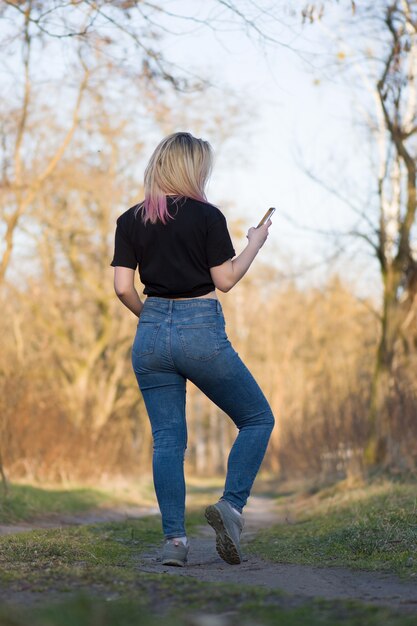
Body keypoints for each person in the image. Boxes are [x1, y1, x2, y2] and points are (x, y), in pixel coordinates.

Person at [110, 131, 275, 567]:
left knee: (167, 440)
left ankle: (175, 545)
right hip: (199, 328)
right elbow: (225, 279)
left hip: (149, 333)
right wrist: (253, 244)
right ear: (192, 168)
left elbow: (123, 288)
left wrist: (149, 316)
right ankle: (231, 508)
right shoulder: (207, 216)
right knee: (257, 418)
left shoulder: (129, 220)